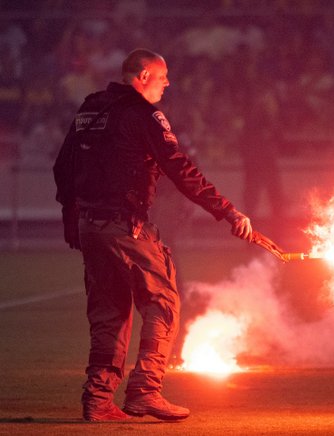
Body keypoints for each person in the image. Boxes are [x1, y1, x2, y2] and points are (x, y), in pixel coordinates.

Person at [53, 48, 253, 422]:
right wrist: (227, 212)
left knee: (109, 311)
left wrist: (71, 215)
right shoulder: (144, 115)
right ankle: (145, 390)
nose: (168, 83)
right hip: (124, 225)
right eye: (163, 77)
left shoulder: (89, 109)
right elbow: (180, 169)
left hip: (90, 227)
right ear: (144, 75)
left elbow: (63, 166)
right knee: (163, 303)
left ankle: (97, 401)